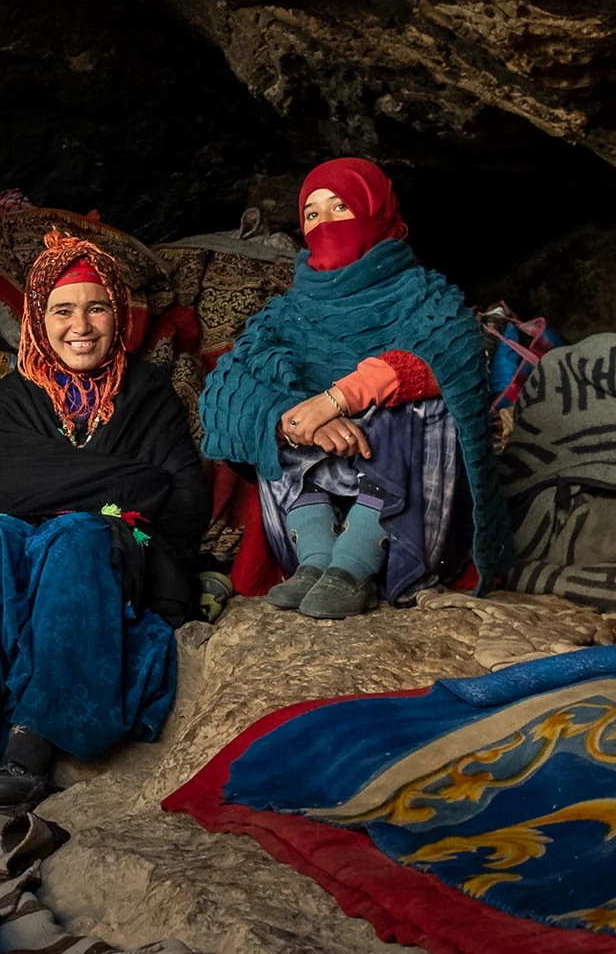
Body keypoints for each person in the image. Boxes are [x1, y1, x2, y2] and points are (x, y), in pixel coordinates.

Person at [0, 230, 208, 807]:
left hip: (115, 553)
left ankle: (33, 737)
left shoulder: (149, 391)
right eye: (62, 310)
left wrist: (58, 495)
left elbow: (183, 502)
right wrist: (127, 480)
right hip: (35, 540)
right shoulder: (15, 397)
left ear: (119, 316)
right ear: (37, 318)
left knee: (75, 534)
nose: (80, 325)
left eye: (96, 307)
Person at [199, 158, 502, 618]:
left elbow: (451, 354)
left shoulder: (425, 294)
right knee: (263, 406)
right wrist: (294, 418)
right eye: (312, 213)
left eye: (341, 207)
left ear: (376, 212)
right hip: (304, 526)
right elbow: (225, 389)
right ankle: (317, 557)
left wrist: (336, 398)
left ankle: (356, 560)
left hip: (415, 529)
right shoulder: (286, 312)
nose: (325, 223)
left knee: (416, 400)